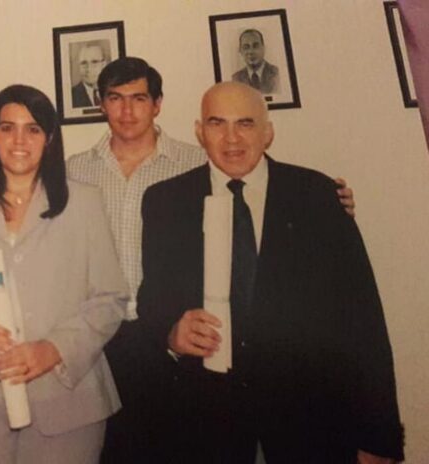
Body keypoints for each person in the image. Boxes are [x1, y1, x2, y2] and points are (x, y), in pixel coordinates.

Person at [66, 57, 356, 463]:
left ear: (158, 104)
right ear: (101, 104)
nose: (127, 110)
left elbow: (262, 201)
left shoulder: (199, 162)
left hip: (175, 342)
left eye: (139, 98)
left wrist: (327, 203)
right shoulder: (73, 172)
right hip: (103, 340)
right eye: (115, 98)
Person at [138, 82, 403, 463]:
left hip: (312, 425)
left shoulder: (317, 195)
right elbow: (152, 299)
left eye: (245, 123)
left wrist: (378, 436)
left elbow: (363, 320)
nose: (231, 138)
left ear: (268, 132)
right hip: (207, 428)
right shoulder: (165, 201)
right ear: (199, 132)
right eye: (217, 123)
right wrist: (171, 332)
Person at [0, 84, 128, 464]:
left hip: (66, 404)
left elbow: (110, 299)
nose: (19, 140)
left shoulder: (84, 203)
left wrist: (54, 349)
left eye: (32, 129)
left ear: (49, 139)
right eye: (7, 128)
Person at [231, 29, 280, 94]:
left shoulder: (276, 73)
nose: (251, 51)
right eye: (246, 47)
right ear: (240, 51)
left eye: (255, 46)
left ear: (263, 48)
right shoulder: (236, 78)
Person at [71, 41, 107, 108]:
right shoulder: (71, 96)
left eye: (94, 62)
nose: (89, 69)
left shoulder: (113, 90)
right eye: (84, 63)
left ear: (104, 64)